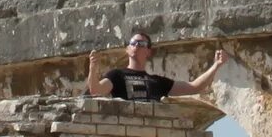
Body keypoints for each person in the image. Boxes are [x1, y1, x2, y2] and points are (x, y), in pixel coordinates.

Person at [85, 32, 230, 103]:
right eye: (133, 43)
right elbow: (96, 90)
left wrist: (216, 65)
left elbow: (194, 87)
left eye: (141, 44)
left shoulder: (157, 82)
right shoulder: (117, 75)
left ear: (148, 51)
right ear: (127, 49)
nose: (136, 46)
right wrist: (92, 68)